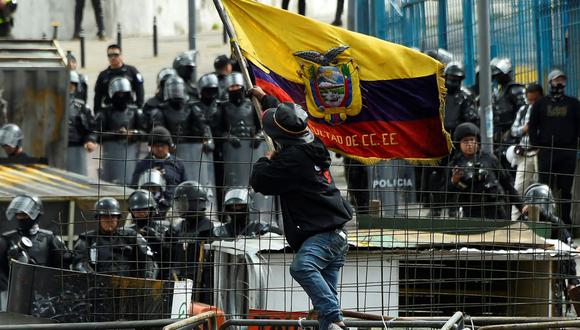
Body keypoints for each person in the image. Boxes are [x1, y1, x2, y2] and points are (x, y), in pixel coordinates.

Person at [249, 86, 352, 330]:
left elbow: (260, 181)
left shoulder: (292, 160)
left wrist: (266, 159)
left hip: (323, 235)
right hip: (333, 233)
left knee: (302, 267)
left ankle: (336, 317)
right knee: (325, 319)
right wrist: (264, 98)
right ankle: (332, 320)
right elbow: (286, 119)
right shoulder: (311, 140)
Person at [528, 69, 580, 225]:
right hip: (546, 151)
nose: (559, 83)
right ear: (550, 82)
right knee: (545, 188)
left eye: (562, 80)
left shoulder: (573, 104)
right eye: (556, 80)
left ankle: (565, 221)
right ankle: (546, 219)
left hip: (567, 151)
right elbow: (532, 125)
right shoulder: (541, 103)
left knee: (566, 189)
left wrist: (575, 145)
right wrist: (536, 145)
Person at [448, 122, 522, 219]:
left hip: (496, 208)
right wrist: (454, 181)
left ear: (477, 141)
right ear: (459, 143)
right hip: (472, 211)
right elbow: (445, 194)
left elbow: (507, 183)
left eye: (472, 140)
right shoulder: (455, 164)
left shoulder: (490, 159)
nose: (469, 144)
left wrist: (521, 206)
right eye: (465, 141)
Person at [73, 197, 158, 279]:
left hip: (129, 287)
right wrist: (92, 278)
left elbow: (149, 260)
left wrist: (147, 281)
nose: (109, 220)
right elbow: (80, 264)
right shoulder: (87, 239)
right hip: (98, 287)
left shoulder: (131, 236)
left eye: (113, 216)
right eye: (105, 217)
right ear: (98, 218)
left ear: (118, 218)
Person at [0, 195, 71, 293]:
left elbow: (63, 269)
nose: (21, 218)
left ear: (36, 215)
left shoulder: (49, 239)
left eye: (24, 215)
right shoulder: (7, 240)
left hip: (43, 296)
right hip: (13, 296)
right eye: (18, 215)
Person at [169, 181, 215, 301]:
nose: (179, 206)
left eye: (182, 202)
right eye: (178, 202)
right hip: (178, 285)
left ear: (196, 203)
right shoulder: (177, 228)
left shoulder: (210, 229)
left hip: (201, 289)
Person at [95, 76, 143, 185]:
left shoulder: (135, 112)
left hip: (131, 155)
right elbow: (97, 135)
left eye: (124, 94)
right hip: (111, 156)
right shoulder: (104, 113)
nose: (121, 97)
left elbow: (145, 133)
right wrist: (115, 134)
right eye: (119, 94)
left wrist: (133, 134)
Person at [508, 83, 543, 220]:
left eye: (536, 100)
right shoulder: (523, 110)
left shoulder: (544, 110)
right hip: (525, 154)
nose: (533, 103)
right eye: (530, 100)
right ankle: (514, 222)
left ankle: (543, 221)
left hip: (541, 153)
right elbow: (514, 130)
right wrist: (525, 129)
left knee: (541, 190)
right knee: (519, 189)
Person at [132, 126, 187, 206]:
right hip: (149, 207)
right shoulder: (143, 164)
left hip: (173, 206)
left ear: (168, 146)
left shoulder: (178, 163)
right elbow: (134, 187)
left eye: (163, 145)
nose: (160, 149)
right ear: (151, 147)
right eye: (156, 146)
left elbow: (184, 187)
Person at [126, 189, 172, 279]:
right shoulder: (128, 232)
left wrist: (156, 240)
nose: (140, 213)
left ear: (151, 210)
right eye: (136, 210)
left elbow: (171, 257)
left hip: (160, 277)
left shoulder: (164, 229)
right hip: (135, 277)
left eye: (143, 209)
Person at [490, 57, 526, 167]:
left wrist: (511, 131)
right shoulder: (499, 91)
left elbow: (523, 113)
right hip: (500, 136)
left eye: (498, 74)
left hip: (514, 137)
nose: (496, 77)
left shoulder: (515, 90)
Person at [94, 44, 144, 113]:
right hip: (110, 112)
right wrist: (98, 114)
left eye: (116, 55)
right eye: (110, 55)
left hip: (129, 111)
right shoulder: (103, 75)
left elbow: (140, 91)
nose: (113, 58)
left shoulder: (132, 71)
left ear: (121, 56)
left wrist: (138, 108)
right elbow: (98, 97)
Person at [215, 187, 282, 238]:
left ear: (248, 207)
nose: (237, 209)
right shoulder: (221, 230)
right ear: (228, 209)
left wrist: (268, 230)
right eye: (234, 206)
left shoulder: (259, 227)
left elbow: (279, 233)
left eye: (241, 206)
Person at [67, 71, 97, 176]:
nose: (69, 87)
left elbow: (92, 129)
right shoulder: (52, 105)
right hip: (56, 151)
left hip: (77, 149)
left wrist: (90, 140)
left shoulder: (81, 107)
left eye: (72, 85)